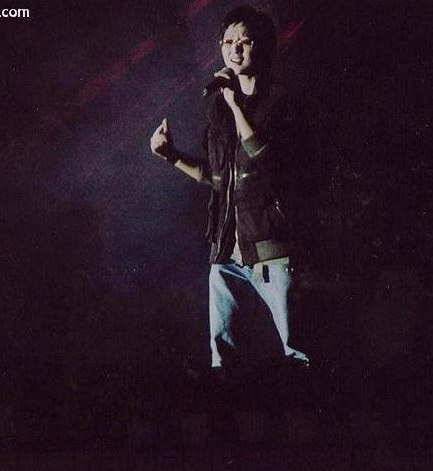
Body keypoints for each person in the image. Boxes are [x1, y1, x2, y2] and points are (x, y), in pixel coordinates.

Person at [149, 5, 309, 371]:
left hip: (271, 251)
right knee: (223, 358)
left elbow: (268, 163)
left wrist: (237, 107)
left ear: (262, 47)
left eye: (244, 41)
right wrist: (171, 156)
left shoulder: (280, 102)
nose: (234, 49)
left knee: (298, 350)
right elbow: (216, 178)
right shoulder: (217, 108)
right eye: (227, 42)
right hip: (226, 254)